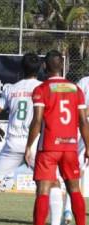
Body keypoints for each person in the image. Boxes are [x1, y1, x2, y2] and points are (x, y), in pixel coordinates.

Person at [0, 53, 57, 225]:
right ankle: (58, 220)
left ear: (22, 68)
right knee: (52, 183)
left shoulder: (11, 89)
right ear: (40, 69)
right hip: (35, 145)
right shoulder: (44, 88)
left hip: (12, 144)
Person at [25, 50, 89, 225]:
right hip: (70, 147)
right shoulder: (75, 89)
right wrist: (88, 147)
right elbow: (83, 121)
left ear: (44, 66)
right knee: (74, 189)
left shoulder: (41, 89)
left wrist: (28, 146)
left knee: (43, 190)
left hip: (48, 147)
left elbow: (37, 120)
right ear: (62, 66)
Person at [62, 74, 89, 224]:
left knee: (76, 171)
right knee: (76, 171)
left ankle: (67, 211)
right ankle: (67, 210)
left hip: (81, 126)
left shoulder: (84, 82)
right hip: (82, 127)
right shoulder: (84, 82)